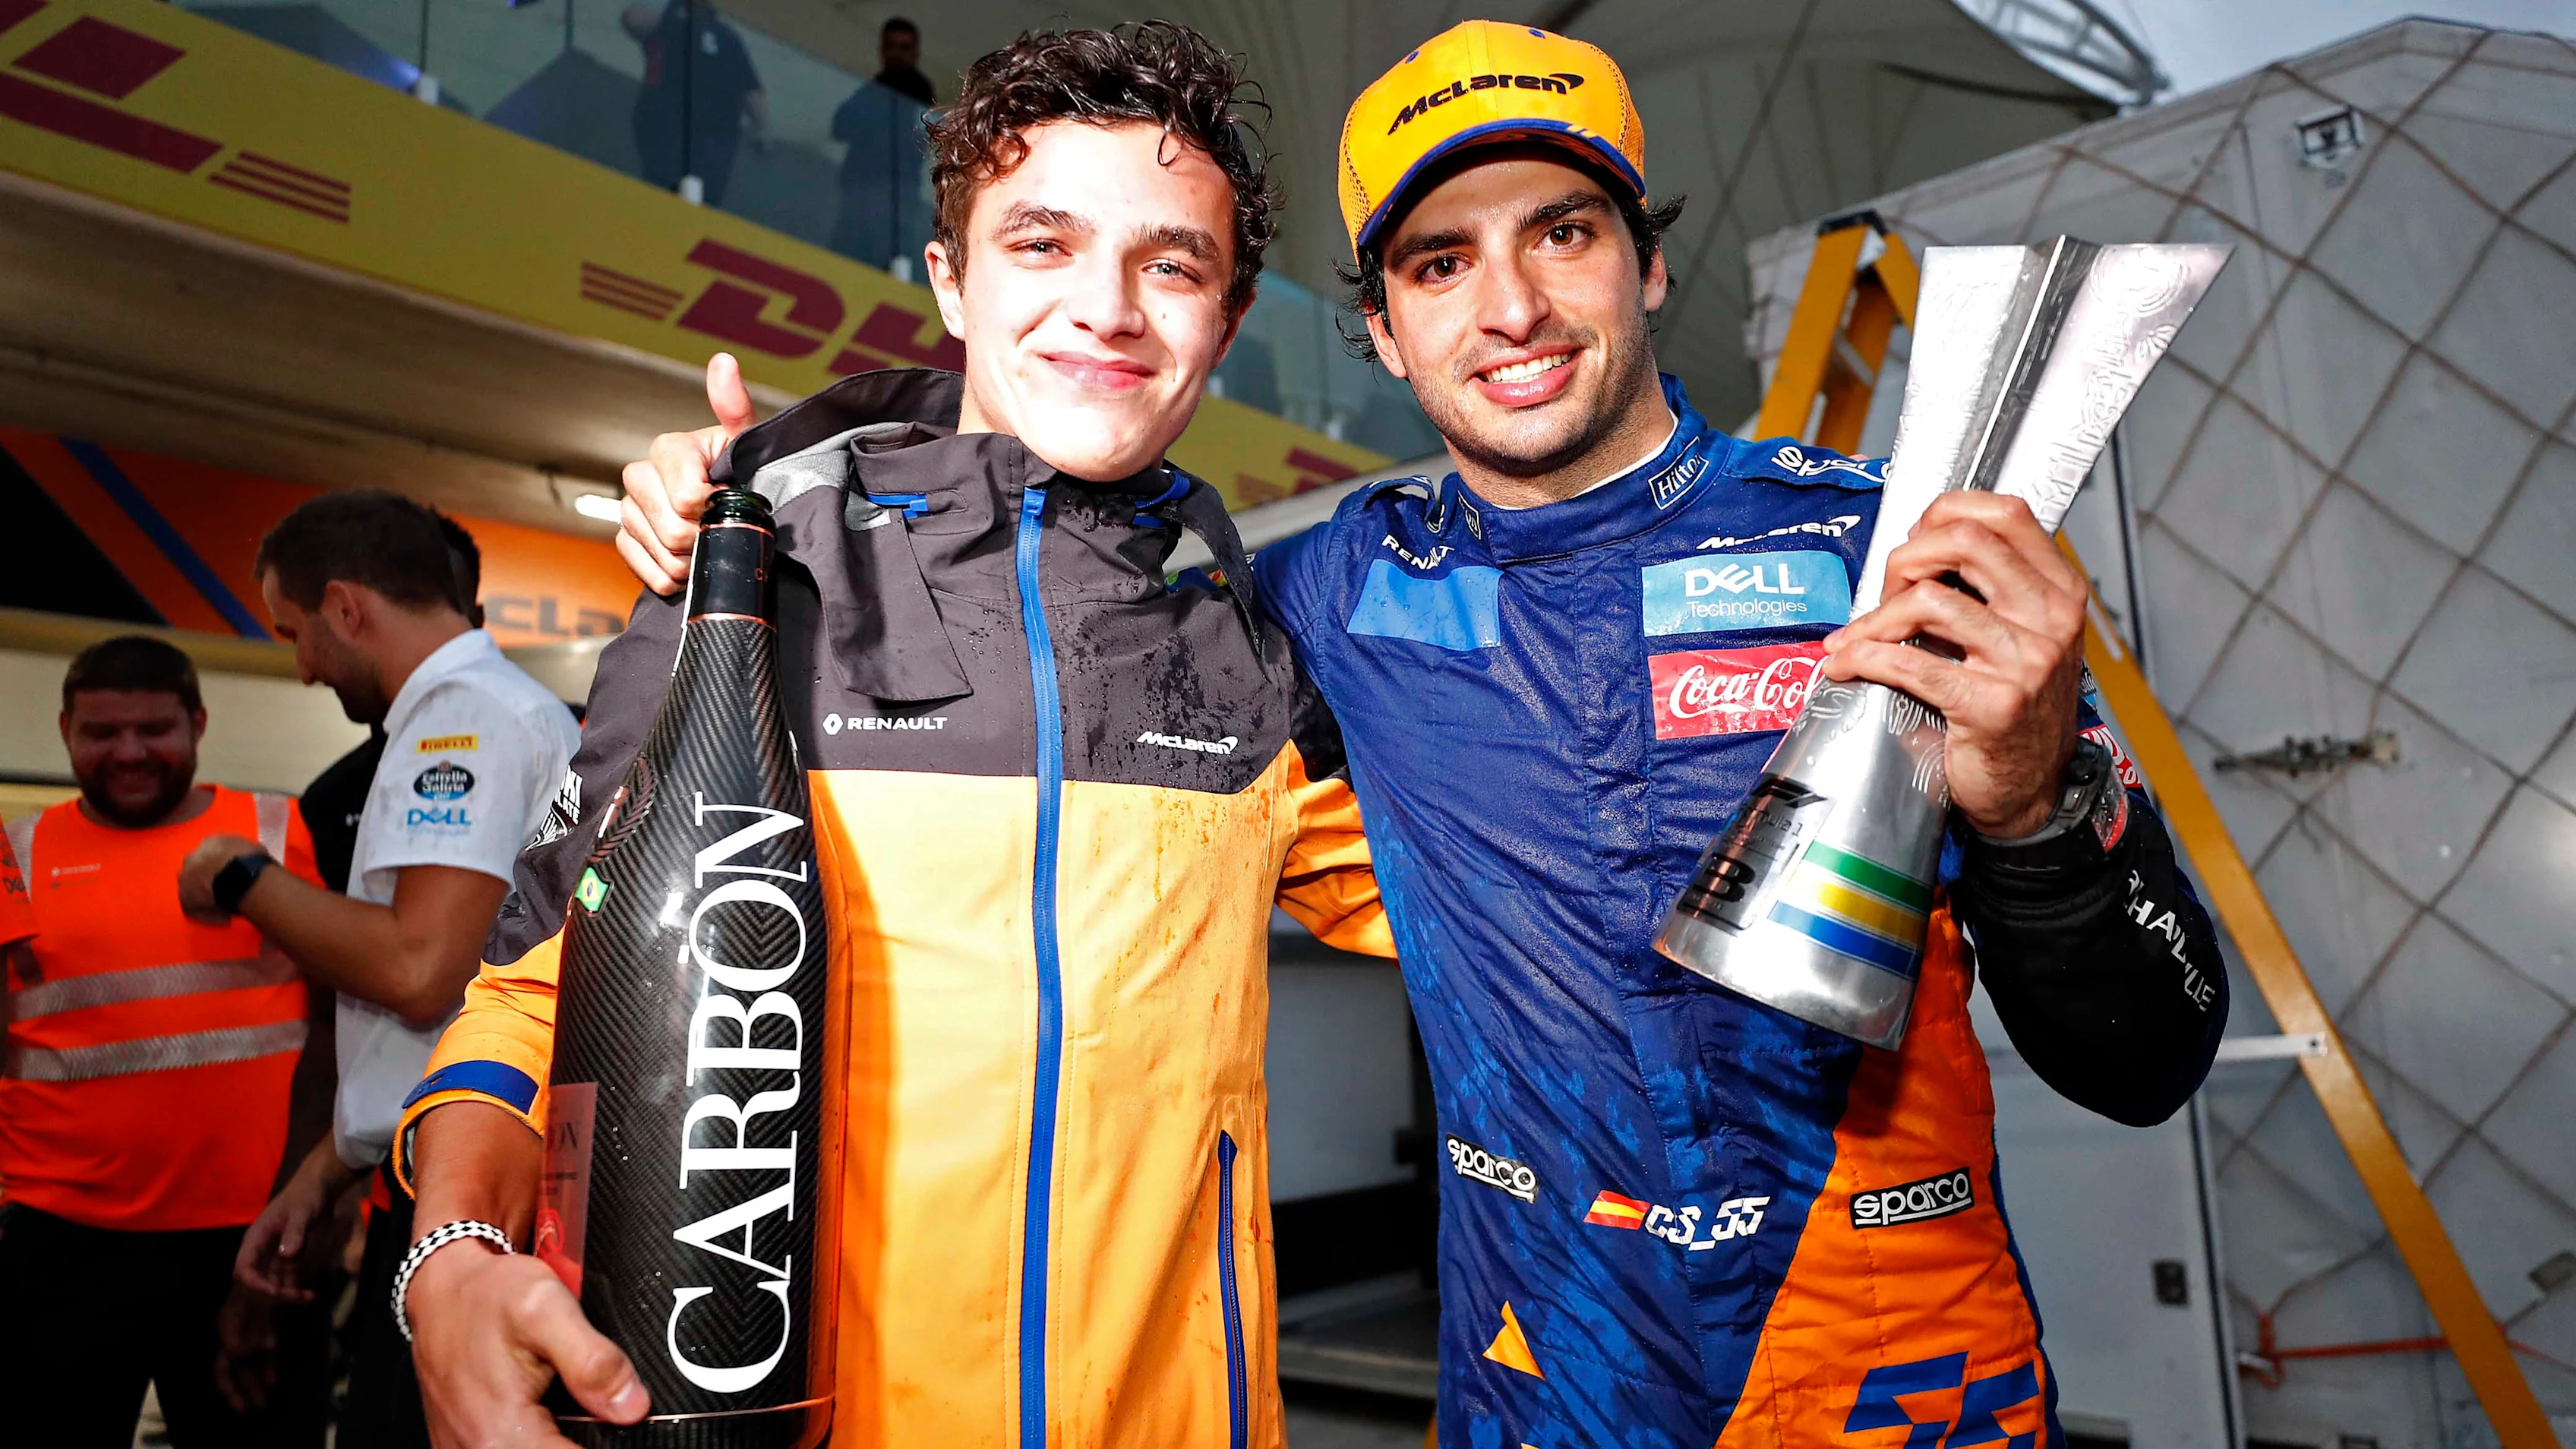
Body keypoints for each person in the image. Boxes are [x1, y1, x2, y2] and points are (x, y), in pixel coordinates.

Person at [617, 21, 2235, 1447]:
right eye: (1438, 262)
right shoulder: (1314, 597)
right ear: (1380, 331)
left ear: (1648, 264)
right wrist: (758, 483)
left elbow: (2145, 1061)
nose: (1511, 305)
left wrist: (2031, 804)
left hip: (1894, 1388)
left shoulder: (1878, 552)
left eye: (1565, 231)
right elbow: (1042, 513)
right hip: (1542, 1388)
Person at [396, 24, 1387, 1446]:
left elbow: (1504, 918)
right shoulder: (750, 588)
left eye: (1170, 263)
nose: (1104, 306)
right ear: (950, 282)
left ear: (1225, 321)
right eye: (1040, 244)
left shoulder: (1251, 647)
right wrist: (449, 1262)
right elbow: (533, 997)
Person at [179, 492, 579, 1448]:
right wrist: (326, 1169)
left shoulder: (462, 719)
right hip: (446, 1167)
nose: (305, 666)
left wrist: (236, 875)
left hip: (468, 1188)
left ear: (348, 608)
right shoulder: (476, 711)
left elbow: (421, 971)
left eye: (297, 633)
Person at [0, 636, 332, 1447]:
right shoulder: (17, 853)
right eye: (101, 733)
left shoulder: (274, 828)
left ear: (199, 723)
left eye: (155, 729)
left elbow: (336, 1020)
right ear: (65, 729)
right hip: (61, 1242)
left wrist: (320, 1194)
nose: (129, 753)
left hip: (250, 1240)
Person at [622, 0, 766, 206]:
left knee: (677, 196)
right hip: (690, 134)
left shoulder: (721, 35)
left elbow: (751, 93)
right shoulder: (721, 36)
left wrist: (762, 130)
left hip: (696, 136)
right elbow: (752, 94)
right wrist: (762, 131)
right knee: (681, 197)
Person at [829, 16, 934, 270]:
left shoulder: (918, 88)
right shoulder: (875, 86)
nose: (897, 53)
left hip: (895, 193)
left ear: (916, 53)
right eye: (891, 46)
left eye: (905, 47)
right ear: (882, 50)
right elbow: (839, 126)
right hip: (859, 187)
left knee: (887, 261)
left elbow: (921, 139)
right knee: (845, 258)